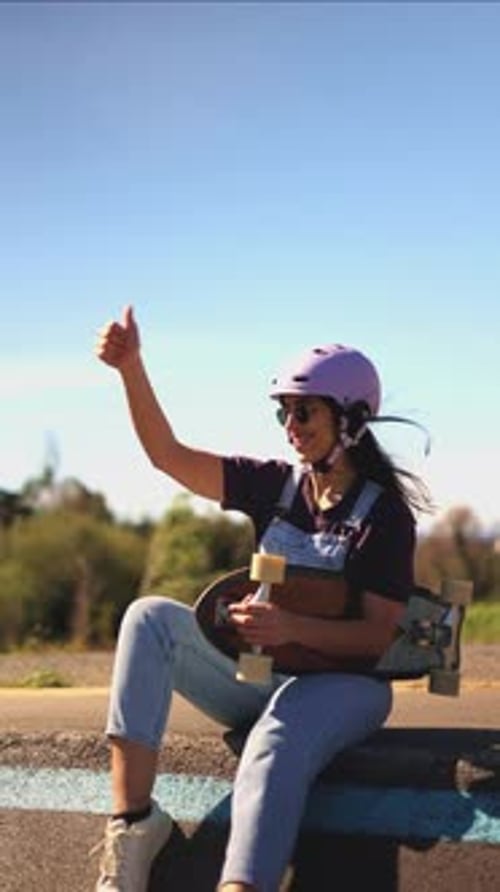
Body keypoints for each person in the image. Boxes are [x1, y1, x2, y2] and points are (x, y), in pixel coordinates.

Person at [93, 305, 432, 892]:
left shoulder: (385, 515)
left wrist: (290, 626)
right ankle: (135, 825)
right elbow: (168, 457)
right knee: (148, 618)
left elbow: (380, 635)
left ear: (350, 418)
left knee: (275, 738)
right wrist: (131, 370)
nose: (290, 424)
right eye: (284, 411)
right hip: (264, 676)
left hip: (349, 687)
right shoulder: (273, 483)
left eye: (305, 410)